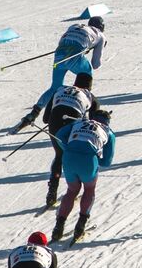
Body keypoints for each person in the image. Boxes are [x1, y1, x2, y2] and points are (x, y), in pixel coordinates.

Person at [20, 74, 100, 207]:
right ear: (89, 87)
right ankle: (76, 186)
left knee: (59, 155)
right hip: (72, 122)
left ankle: (52, 190)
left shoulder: (61, 89)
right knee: (75, 152)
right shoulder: (90, 96)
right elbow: (94, 125)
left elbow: (45, 119)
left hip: (54, 122)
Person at [51, 107, 116, 244]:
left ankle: (59, 226)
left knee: (72, 191)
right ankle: (81, 224)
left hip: (69, 157)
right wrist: (95, 158)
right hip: (88, 160)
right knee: (89, 189)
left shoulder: (77, 123)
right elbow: (107, 162)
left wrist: (68, 148)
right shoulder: (108, 132)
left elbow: (59, 136)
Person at [37, 17, 106, 109]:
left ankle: (33, 113)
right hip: (74, 56)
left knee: (55, 87)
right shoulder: (100, 35)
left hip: (59, 55)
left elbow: (64, 40)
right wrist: (94, 47)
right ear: (102, 27)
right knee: (86, 76)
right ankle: (76, 103)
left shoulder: (74, 25)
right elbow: (96, 64)